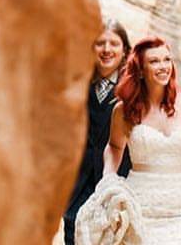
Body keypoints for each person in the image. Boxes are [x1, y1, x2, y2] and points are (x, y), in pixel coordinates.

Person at [88, 36, 181, 243]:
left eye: (167, 59)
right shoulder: (123, 111)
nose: (163, 66)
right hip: (142, 208)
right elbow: (114, 148)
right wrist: (108, 181)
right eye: (154, 61)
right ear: (140, 70)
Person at [62, 20, 133, 245]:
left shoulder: (133, 92)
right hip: (77, 188)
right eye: (100, 43)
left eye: (114, 43)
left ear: (124, 52)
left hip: (115, 186)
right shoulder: (77, 82)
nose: (106, 49)